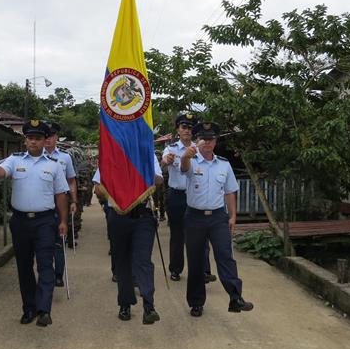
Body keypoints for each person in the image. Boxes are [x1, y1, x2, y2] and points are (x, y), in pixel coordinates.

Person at [0, 119, 69, 327]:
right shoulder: (14, 160)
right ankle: (29, 308)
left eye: (38, 138)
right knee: (24, 267)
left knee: (46, 265)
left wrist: (63, 221)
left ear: (45, 141)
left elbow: (61, 195)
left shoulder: (54, 165)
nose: (33, 142)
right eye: (30, 138)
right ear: (25, 140)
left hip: (45, 222)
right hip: (20, 222)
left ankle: (44, 309)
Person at [179, 121, 253, 317]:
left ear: (216, 141)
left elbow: (229, 191)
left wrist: (233, 215)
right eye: (203, 139)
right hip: (195, 217)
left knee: (225, 255)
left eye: (211, 139)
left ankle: (235, 297)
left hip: (218, 217)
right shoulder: (191, 160)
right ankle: (196, 303)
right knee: (195, 262)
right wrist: (186, 156)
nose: (207, 143)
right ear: (197, 140)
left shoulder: (224, 164)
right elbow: (184, 168)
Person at [93, 156, 164, 324]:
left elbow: (159, 180)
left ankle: (149, 305)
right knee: (122, 261)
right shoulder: (111, 152)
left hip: (143, 216)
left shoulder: (147, 153)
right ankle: (125, 303)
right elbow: (98, 189)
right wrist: (117, 179)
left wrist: (138, 171)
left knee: (143, 260)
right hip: (118, 214)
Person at [161, 113, 216, 283]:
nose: (187, 130)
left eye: (190, 127)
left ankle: (204, 271)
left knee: (201, 233)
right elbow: (163, 162)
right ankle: (176, 269)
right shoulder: (171, 149)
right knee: (177, 234)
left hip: (196, 195)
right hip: (177, 196)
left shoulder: (199, 148)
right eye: (183, 127)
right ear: (178, 129)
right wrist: (167, 161)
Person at [44, 122, 78, 287]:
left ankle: (58, 275)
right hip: (43, 203)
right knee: (44, 242)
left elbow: (71, 181)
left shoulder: (65, 157)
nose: (48, 139)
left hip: (61, 203)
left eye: (51, 136)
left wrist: (73, 201)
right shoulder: (37, 156)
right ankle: (46, 274)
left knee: (59, 241)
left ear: (57, 137)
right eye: (46, 136)